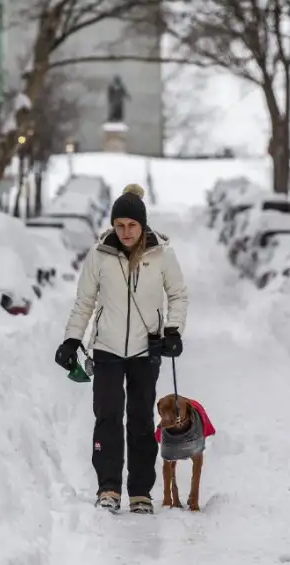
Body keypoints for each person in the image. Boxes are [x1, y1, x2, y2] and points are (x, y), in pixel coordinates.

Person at [54, 183, 189, 514]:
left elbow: (178, 295)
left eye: (131, 225)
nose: (125, 232)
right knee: (107, 418)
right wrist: (72, 339)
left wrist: (173, 330)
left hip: (147, 350)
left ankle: (141, 491)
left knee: (142, 420)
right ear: (112, 225)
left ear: (142, 225)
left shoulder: (162, 254)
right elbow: (85, 301)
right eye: (120, 225)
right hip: (107, 349)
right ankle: (108, 487)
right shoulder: (99, 255)